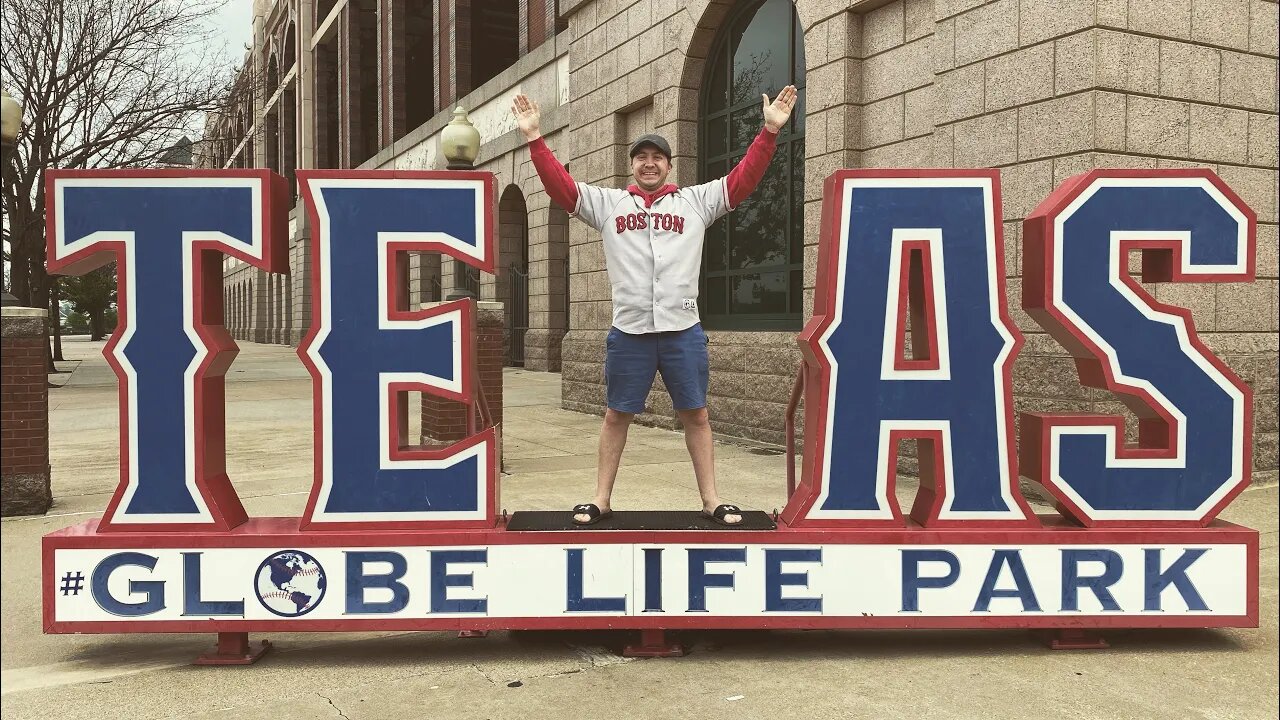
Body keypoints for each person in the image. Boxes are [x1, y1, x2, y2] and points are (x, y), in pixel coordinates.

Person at [511, 85, 798, 526]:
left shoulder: (695, 202)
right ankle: (601, 500)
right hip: (629, 332)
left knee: (696, 415)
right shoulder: (609, 205)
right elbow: (561, 187)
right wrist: (534, 139)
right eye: (641, 157)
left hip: (683, 329)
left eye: (657, 157)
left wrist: (769, 132)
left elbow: (744, 179)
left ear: (668, 164)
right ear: (633, 165)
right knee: (616, 415)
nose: (649, 163)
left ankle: (711, 500)